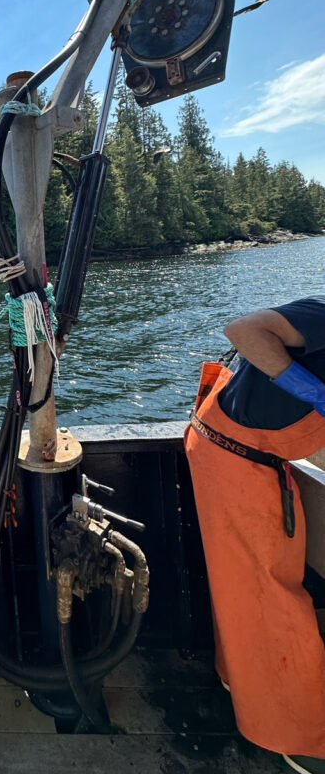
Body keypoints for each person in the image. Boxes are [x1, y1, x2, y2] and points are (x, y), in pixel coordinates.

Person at [185, 296, 325, 774]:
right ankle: (297, 735)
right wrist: (316, 393)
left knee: (242, 593)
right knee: (273, 601)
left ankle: (240, 682)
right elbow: (243, 331)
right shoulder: (322, 313)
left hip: (236, 451)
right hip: (236, 461)